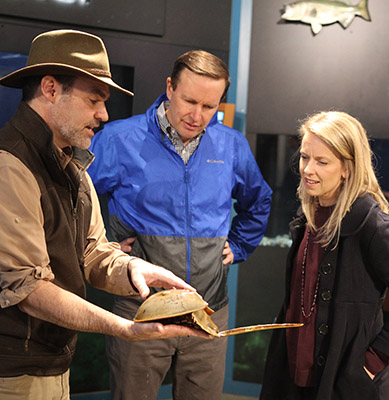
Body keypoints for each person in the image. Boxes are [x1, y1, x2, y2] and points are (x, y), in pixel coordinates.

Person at [0, 29, 209, 400]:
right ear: (50, 89)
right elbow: (29, 290)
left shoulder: (73, 165)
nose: (104, 115)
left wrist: (133, 270)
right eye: (93, 99)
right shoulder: (2, 167)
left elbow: (92, 251)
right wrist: (124, 328)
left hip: (51, 367)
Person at [88, 50, 272, 400]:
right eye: (189, 101)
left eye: (209, 106)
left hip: (208, 308)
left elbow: (259, 199)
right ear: (170, 87)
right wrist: (104, 244)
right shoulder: (119, 139)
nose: (197, 116)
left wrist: (240, 244)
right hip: (141, 307)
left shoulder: (230, 144)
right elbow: (72, 194)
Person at [260, 111, 389, 400]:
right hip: (294, 377)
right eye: (305, 157)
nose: (308, 169)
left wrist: (372, 363)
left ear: (347, 167)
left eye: (322, 161)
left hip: (345, 384)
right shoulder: (308, 216)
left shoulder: (372, 223)